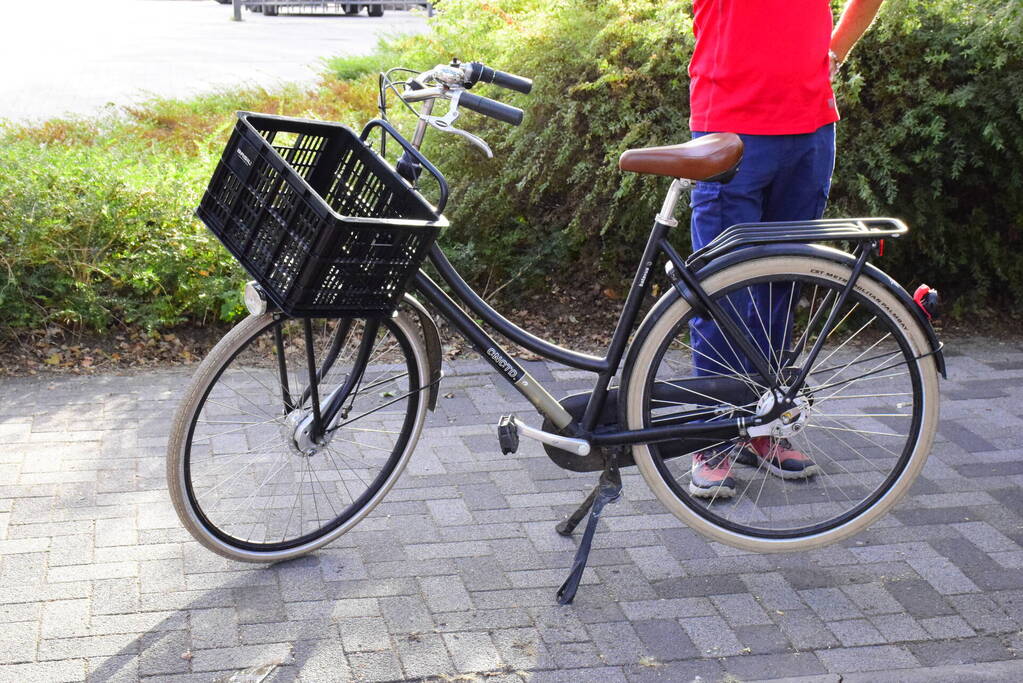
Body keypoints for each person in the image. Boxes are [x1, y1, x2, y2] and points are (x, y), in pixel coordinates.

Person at [687, 0, 886, 498]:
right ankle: (712, 437)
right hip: (728, 128)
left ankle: (764, 424)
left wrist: (835, 50)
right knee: (721, 291)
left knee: (783, 287)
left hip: (809, 128)